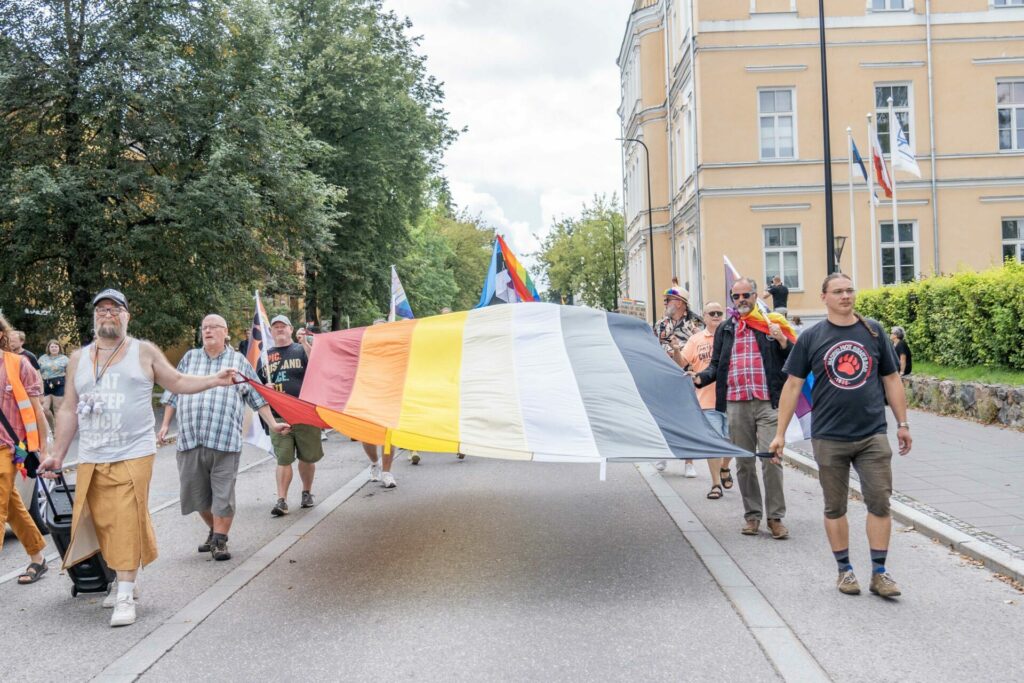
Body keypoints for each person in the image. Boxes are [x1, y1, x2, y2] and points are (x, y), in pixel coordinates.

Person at [40, 289, 237, 627]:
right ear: (94, 317)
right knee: (102, 520)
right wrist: (57, 454)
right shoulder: (78, 359)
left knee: (127, 517)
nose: (108, 314)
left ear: (127, 316)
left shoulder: (143, 352)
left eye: (115, 309)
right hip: (92, 454)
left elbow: (176, 381)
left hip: (134, 451)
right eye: (101, 309)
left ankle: (125, 592)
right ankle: (121, 576)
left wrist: (213, 380)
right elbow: (69, 409)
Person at [770, 274, 911, 598]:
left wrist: (903, 424)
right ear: (824, 297)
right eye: (838, 291)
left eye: (850, 290)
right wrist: (779, 434)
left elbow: (891, 379)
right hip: (829, 436)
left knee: (880, 502)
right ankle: (845, 570)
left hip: (872, 433)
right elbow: (792, 386)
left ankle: (879, 572)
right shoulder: (811, 337)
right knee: (835, 507)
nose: (846, 296)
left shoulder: (873, 331)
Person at [158, 314, 291, 561]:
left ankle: (220, 541)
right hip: (190, 439)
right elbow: (174, 390)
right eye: (204, 327)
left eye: (213, 327)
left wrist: (273, 424)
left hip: (225, 441)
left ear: (225, 332)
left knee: (222, 495)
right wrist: (165, 425)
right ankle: (214, 529)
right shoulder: (190, 358)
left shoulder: (237, 361)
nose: (207, 331)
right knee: (196, 496)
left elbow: (256, 396)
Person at [694, 278, 792, 539]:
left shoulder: (770, 324)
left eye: (745, 295)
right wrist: (699, 378)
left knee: (772, 459)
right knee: (745, 463)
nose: (741, 300)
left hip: (767, 402)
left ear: (755, 295)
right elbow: (716, 366)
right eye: (735, 296)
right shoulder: (726, 329)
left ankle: (775, 517)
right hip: (736, 403)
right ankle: (752, 516)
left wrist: (782, 341)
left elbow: (793, 359)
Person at [0, 315, 50, 586]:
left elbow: (37, 412)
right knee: (12, 507)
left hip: (9, 448)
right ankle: (38, 557)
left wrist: (42, 450)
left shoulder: (19, 365)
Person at [259, 315, 323, 516]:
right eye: (275, 327)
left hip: (304, 413)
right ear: (271, 332)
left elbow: (317, 365)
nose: (279, 329)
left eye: (283, 326)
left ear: (290, 329)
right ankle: (282, 500)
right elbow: (255, 387)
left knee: (307, 457)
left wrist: (304, 342)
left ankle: (307, 492)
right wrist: (264, 388)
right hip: (278, 416)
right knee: (283, 459)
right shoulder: (265, 357)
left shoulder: (300, 349)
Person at [679, 301, 731, 499]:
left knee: (733, 441)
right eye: (712, 313)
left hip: (731, 398)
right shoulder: (696, 339)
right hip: (707, 399)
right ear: (704, 316)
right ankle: (716, 483)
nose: (716, 316)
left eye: (719, 313)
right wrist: (676, 350)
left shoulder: (731, 335)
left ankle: (725, 468)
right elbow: (682, 362)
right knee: (713, 442)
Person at [653, 286, 704, 476]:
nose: (665, 303)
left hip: (685, 376)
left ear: (681, 303)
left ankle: (689, 461)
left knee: (687, 418)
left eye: (669, 300)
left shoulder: (694, 325)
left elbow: (700, 350)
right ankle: (662, 452)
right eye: (665, 300)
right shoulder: (660, 325)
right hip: (664, 376)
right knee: (663, 415)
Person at [38, 339, 70, 429]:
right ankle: (52, 427)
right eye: (52, 347)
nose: (54, 348)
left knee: (57, 409)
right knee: (44, 409)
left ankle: (58, 430)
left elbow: (70, 372)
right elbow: (37, 371)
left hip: (59, 384)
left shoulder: (65, 359)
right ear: (49, 348)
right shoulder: (42, 358)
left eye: (56, 346)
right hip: (46, 385)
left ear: (59, 348)